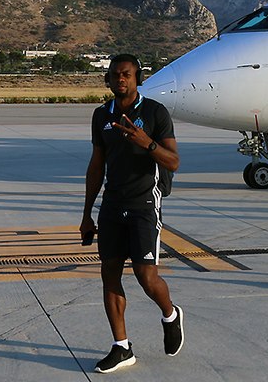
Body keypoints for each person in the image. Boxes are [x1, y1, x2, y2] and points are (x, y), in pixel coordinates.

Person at [81, 53, 184, 373]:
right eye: (115, 75)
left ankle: (170, 314)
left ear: (138, 78)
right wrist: (87, 214)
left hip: (144, 204)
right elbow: (96, 165)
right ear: (108, 80)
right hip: (112, 204)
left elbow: (173, 162)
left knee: (146, 277)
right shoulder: (101, 115)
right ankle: (121, 346)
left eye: (126, 74)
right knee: (109, 273)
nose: (120, 79)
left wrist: (146, 142)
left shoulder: (155, 112)